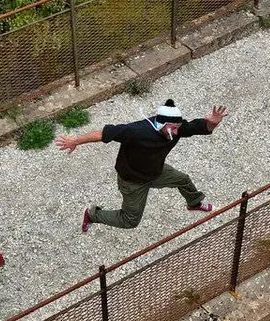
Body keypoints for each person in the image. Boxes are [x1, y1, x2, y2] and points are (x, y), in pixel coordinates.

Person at [55, 98, 229, 232]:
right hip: (133, 181)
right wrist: (76, 140)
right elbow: (104, 133)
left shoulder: (177, 128)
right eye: (174, 128)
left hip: (156, 171)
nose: (177, 132)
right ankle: (92, 215)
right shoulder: (137, 131)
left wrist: (212, 122)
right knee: (130, 221)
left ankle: (194, 203)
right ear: (162, 124)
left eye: (178, 127)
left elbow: (200, 127)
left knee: (183, 180)